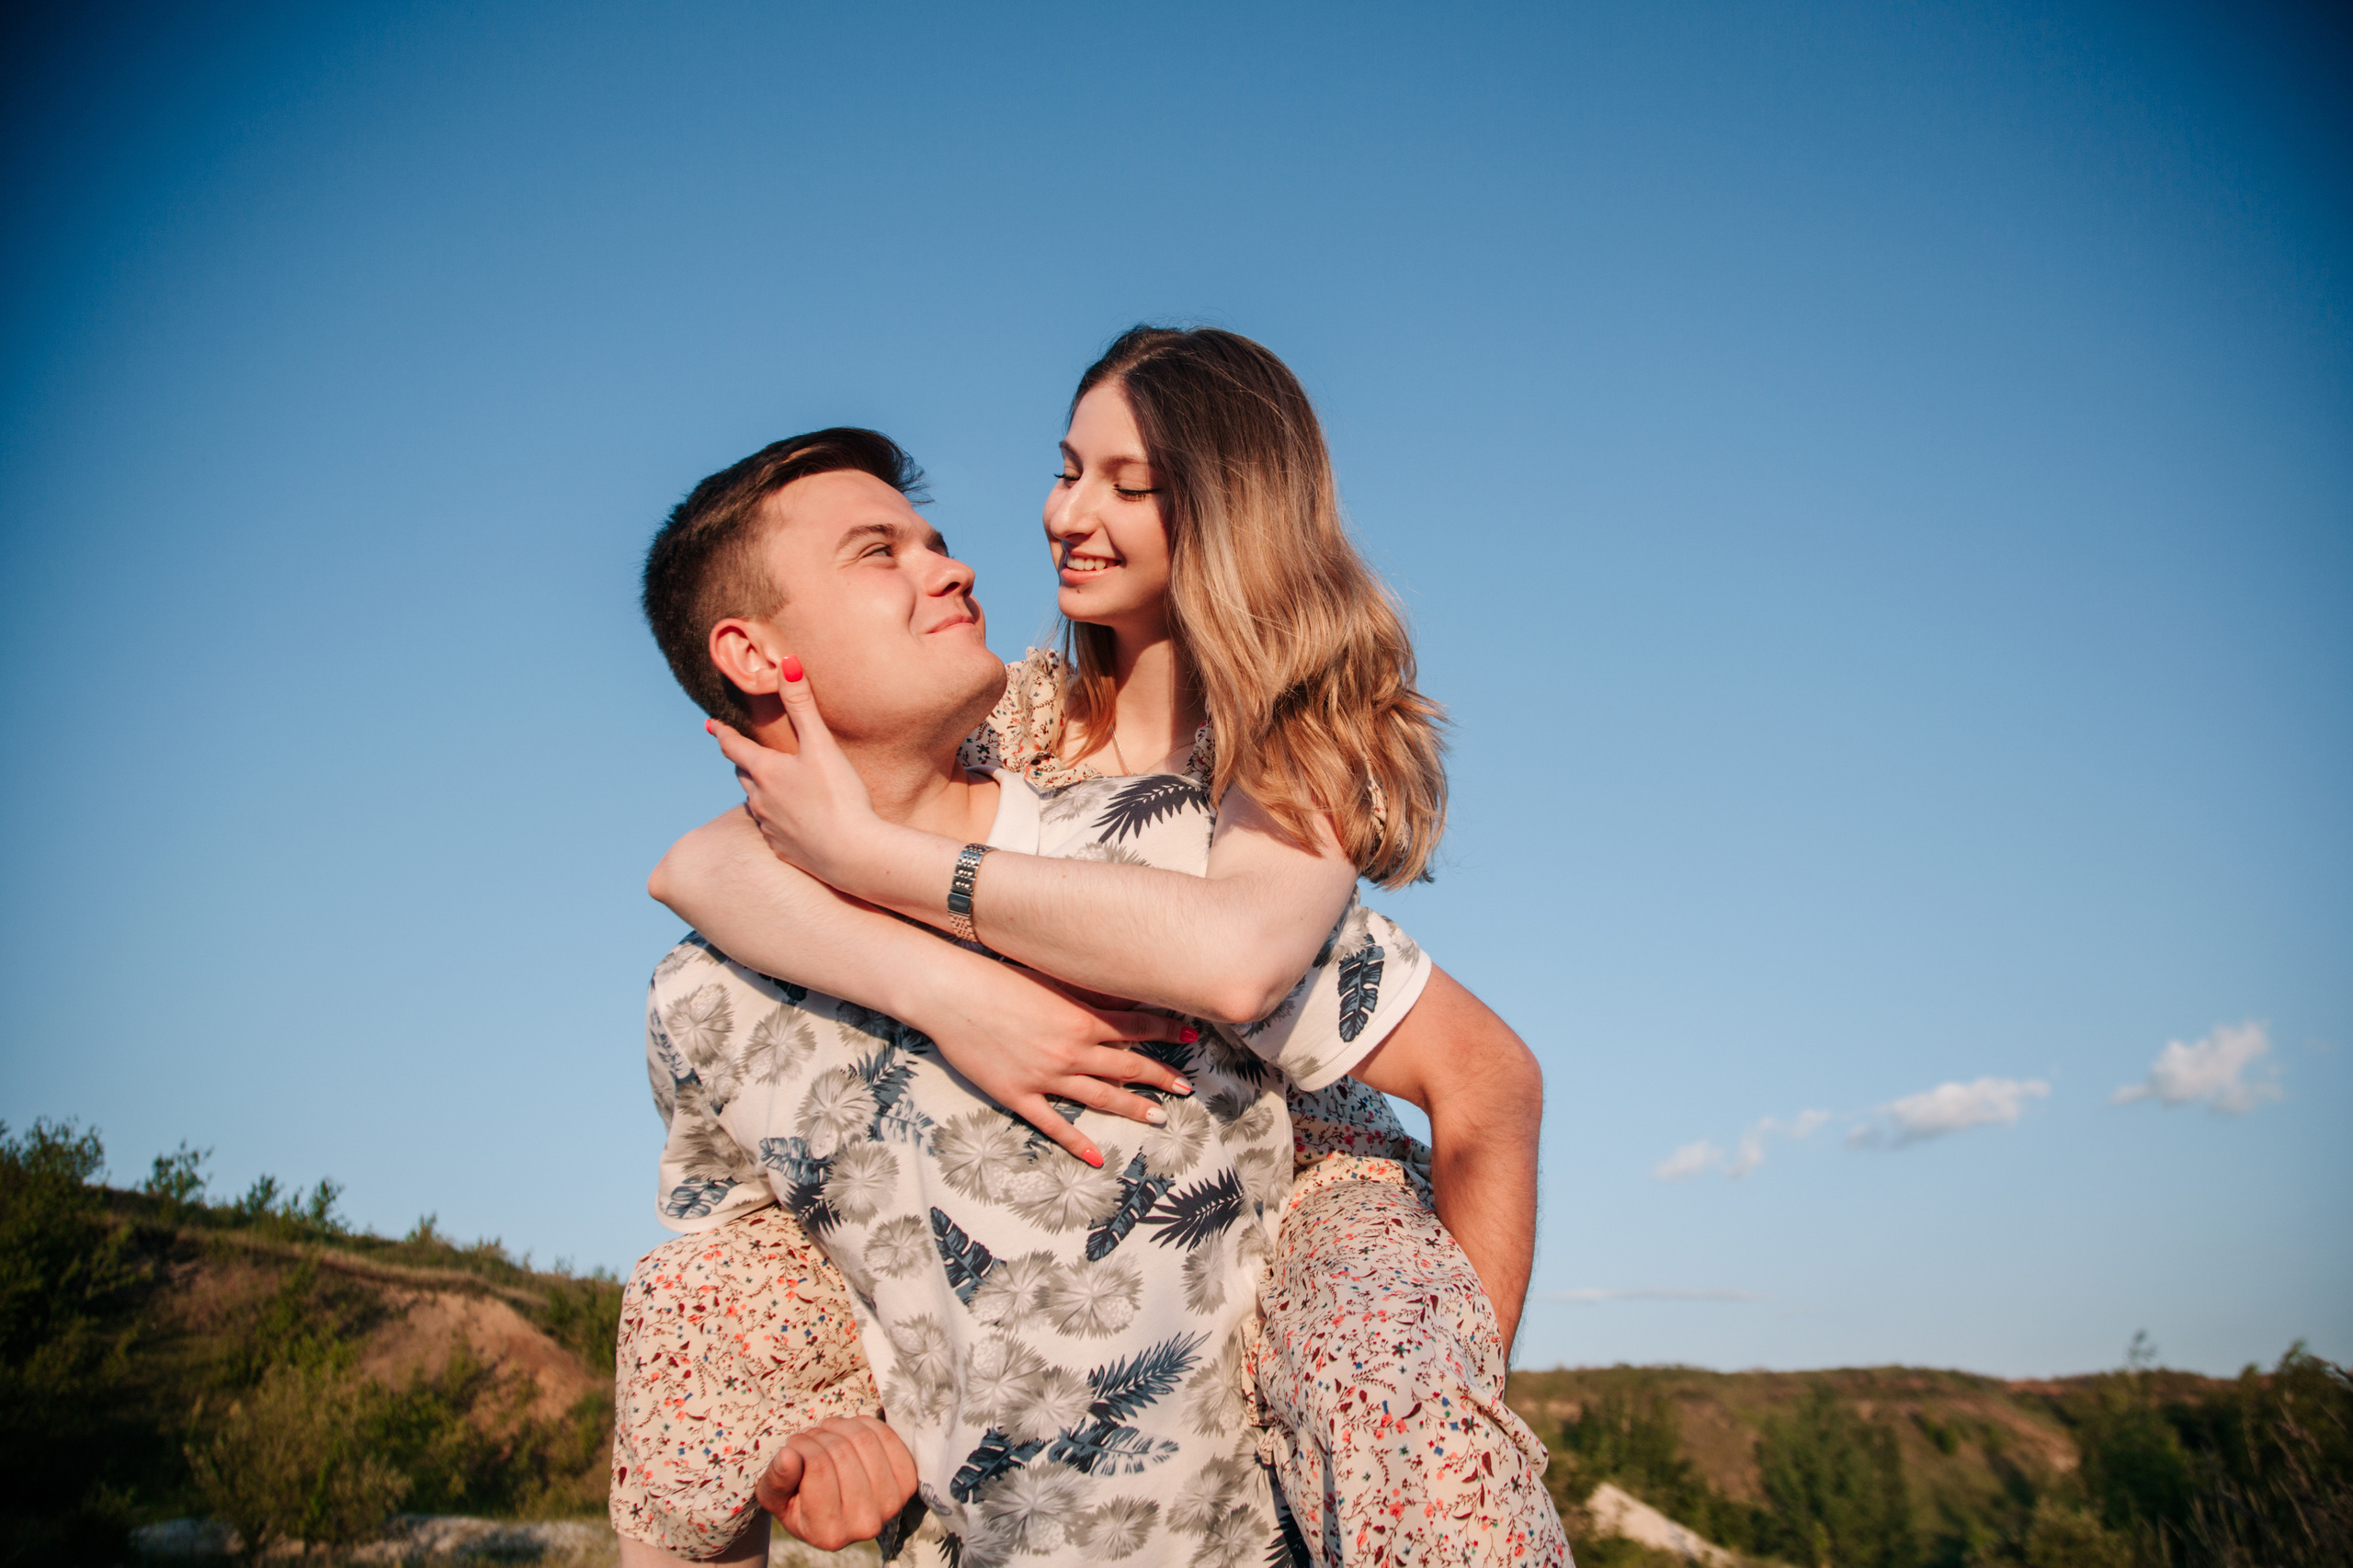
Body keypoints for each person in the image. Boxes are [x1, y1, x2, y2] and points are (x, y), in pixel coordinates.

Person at [622, 334, 1564, 1564]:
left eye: (1131, 485)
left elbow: (1262, 973)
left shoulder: (1238, 802)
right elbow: (702, 868)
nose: (1005, 542)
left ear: (1225, 520)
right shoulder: (727, 973)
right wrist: (947, 986)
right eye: (1068, 470)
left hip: (1305, 1191)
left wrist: (1421, 1436)